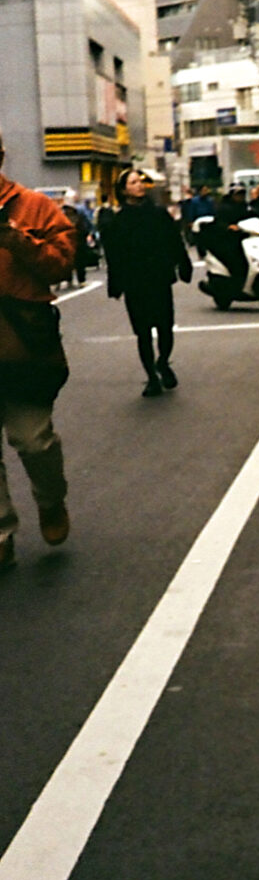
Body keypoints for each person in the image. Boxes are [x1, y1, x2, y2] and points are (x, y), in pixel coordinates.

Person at [0, 129, 76, 568]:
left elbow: (63, 263)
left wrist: (18, 240)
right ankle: (1, 532)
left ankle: (50, 500)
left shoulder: (35, 206)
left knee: (33, 441)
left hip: (23, 348)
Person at [104, 167, 192, 396]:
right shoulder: (118, 221)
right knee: (142, 332)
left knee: (165, 327)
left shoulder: (158, 214)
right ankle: (152, 377)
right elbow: (114, 256)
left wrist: (183, 264)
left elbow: (175, 240)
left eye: (140, 181)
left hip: (159, 278)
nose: (139, 185)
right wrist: (115, 283)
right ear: (123, 190)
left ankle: (163, 361)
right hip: (135, 283)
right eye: (133, 182)